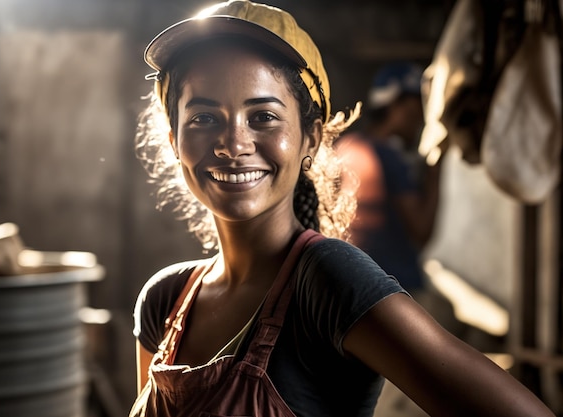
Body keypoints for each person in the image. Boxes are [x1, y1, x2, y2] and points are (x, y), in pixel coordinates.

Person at [130, 1, 556, 416]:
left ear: (310, 139)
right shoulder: (164, 301)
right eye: (203, 118)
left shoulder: (330, 283)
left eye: (263, 117)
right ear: (174, 141)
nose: (233, 144)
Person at [334, 62, 443, 295]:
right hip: (394, 286)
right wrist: (435, 174)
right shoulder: (389, 159)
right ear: (397, 106)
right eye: (415, 112)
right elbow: (422, 230)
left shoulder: (346, 147)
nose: (419, 121)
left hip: (349, 281)